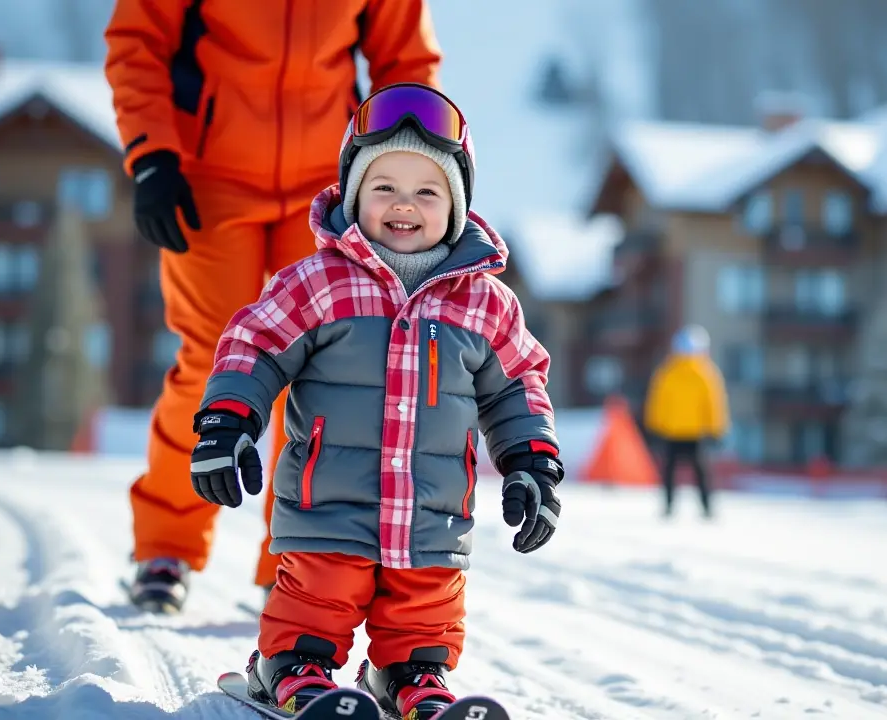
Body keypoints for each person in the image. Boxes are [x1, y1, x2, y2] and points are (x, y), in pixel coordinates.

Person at [185, 83, 565, 718]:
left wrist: (534, 464)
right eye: (383, 186)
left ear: (458, 204)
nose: (404, 205)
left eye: (427, 190)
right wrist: (228, 423)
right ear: (353, 194)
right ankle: (292, 670)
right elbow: (253, 345)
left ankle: (413, 680)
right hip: (328, 504)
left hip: (433, 515)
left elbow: (519, 385)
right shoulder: (318, 283)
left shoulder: (485, 303)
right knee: (317, 598)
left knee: (426, 612)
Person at [103, 0, 444, 612]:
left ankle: (291, 560)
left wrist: (409, 172)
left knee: (320, 371)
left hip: (330, 181)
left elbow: (406, 63)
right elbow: (138, 41)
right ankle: (166, 548)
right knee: (214, 363)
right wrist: (152, 155)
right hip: (209, 175)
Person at [642, 324, 728, 518]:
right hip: (696, 431)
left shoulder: (667, 372)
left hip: (672, 431)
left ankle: (669, 506)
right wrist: (716, 428)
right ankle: (706, 508)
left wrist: (655, 426)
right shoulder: (706, 373)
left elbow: (657, 402)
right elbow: (714, 403)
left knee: (670, 471)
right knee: (701, 473)